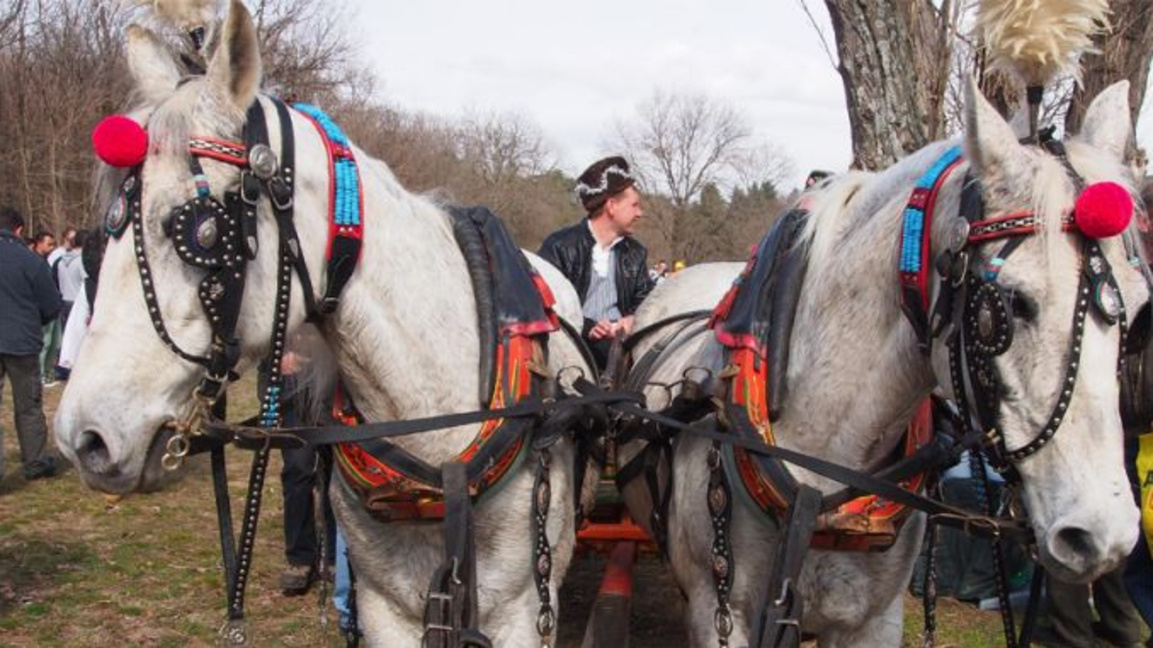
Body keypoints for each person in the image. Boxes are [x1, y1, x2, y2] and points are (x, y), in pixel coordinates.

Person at [538, 155, 655, 369]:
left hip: (621, 349)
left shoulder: (636, 253)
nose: (640, 213)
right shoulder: (560, 246)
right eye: (634, 205)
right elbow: (544, 303)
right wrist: (587, 328)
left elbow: (646, 300)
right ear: (611, 206)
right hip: (569, 349)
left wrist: (631, 320)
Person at [0, 207, 61, 480]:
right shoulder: (31, 260)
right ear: (19, 230)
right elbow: (51, 305)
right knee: (28, 406)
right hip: (22, 340)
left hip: (19, 336)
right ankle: (35, 461)